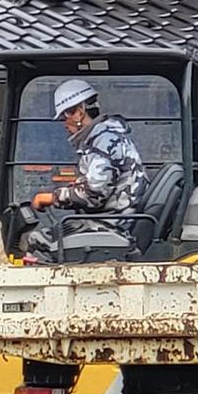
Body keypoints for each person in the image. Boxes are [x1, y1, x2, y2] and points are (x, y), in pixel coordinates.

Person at [24, 80, 150, 260]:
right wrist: (77, 186)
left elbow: (94, 194)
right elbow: (101, 183)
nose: (63, 124)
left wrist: (51, 197)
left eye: (64, 118)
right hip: (115, 219)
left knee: (38, 241)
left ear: (78, 113)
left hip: (112, 225)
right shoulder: (106, 137)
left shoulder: (104, 142)